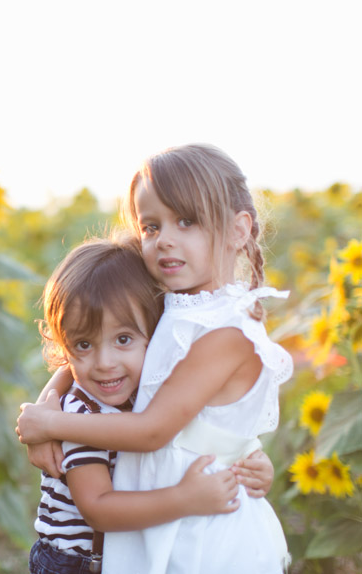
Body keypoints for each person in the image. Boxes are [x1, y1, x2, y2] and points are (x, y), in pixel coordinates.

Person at [17, 144, 292, 574]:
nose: (164, 239)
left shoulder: (226, 333)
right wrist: (46, 406)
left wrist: (49, 424)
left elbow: (152, 431)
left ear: (238, 230)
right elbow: (86, 349)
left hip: (200, 529)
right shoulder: (174, 301)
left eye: (187, 221)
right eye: (150, 226)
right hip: (153, 525)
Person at [28, 234, 271, 574]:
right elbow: (99, 509)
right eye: (83, 344)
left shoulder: (150, 390)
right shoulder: (82, 415)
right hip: (77, 564)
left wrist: (248, 459)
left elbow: (195, 433)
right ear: (64, 347)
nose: (104, 362)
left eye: (123, 339)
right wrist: (184, 500)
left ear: (153, 334)